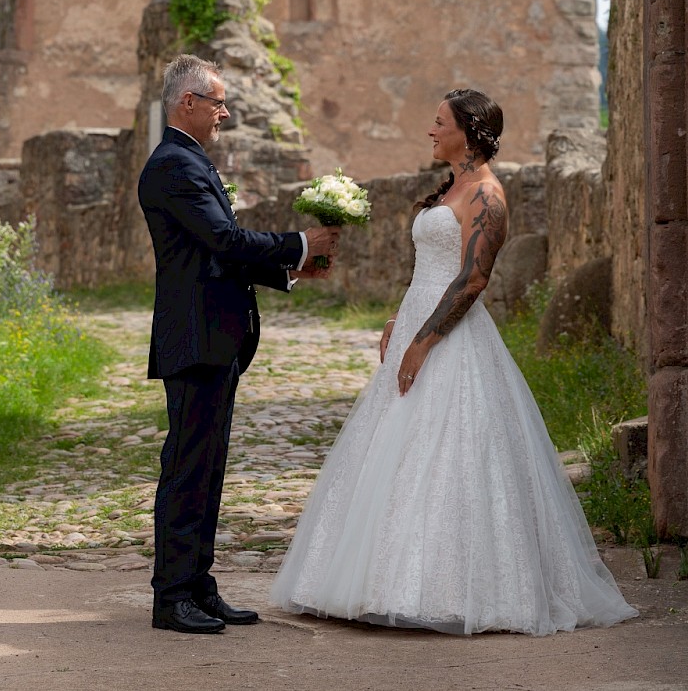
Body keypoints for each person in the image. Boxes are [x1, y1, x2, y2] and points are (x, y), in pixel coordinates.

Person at [270, 88, 638, 636]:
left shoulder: (488, 195)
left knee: (452, 452)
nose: (430, 130)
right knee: (391, 451)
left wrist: (424, 342)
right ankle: (372, 579)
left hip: (452, 339)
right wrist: (400, 321)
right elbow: (428, 269)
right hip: (415, 323)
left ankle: (447, 585)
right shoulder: (451, 189)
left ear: (467, 130)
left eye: (438, 122)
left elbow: (472, 279)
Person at [139, 52, 339, 636]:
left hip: (215, 338)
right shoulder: (174, 164)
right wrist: (298, 243)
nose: (224, 112)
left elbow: (213, 253)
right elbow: (223, 239)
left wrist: (290, 271)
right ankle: (171, 596)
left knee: (208, 468)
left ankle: (198, 586)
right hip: (196, 337)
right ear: (188, 103)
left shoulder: (189, 159)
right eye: (218, 102)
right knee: (186, 469)